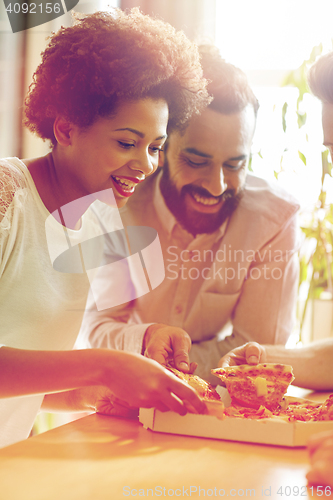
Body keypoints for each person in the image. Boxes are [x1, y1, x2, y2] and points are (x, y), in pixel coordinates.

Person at [0, 8, 211, 448]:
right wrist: (104, 365)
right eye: (126, 142)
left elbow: (22, 389)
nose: (146, 164)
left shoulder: (94, 222)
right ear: (66, 128)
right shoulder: (7, 197)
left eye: (155, 146)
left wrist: (94, 392)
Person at [80, 45, 301, 384]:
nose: (216, 186)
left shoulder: (274, 222)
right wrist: (147, 341)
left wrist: (161, 368)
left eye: (234, 164)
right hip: (121, 397)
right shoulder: (116, 205)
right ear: (162, 149)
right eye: (197, 162)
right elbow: (100, 326)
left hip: (214, 408)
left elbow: (256, 350)